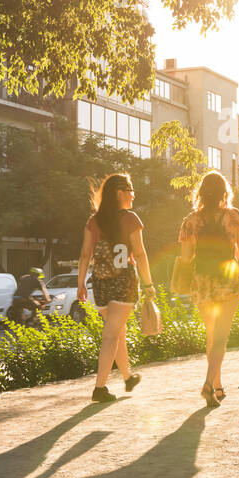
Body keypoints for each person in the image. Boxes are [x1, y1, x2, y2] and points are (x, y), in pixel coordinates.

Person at [77, 172, 156, 402]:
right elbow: (140, 254)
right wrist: (149, 283)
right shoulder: (130, 219)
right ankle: (99, 388)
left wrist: (80, 283)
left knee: (117, 331)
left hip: (100, 283)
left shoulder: (93, 221)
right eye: (130, 191)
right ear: (119, 193)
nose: (133, 195)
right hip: (124, 282)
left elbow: (84, 255)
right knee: (112, 334)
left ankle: (127, 377)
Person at [177, 171, 239, 408]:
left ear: (201, 192)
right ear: (224, 192)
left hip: (202, 280)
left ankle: (217, 386)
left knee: (212, 335)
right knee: (221, 335)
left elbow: (186, 257)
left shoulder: (190, 221)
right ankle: (209, 384)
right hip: (228, 278)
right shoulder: (233, 217)